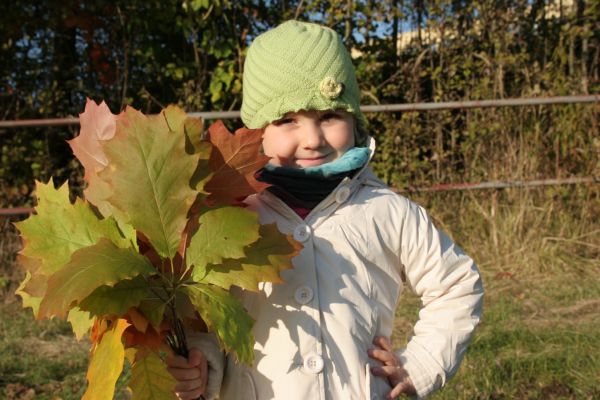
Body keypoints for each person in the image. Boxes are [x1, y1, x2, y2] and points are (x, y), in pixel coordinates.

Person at [166, 20, 484, 400]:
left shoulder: (386, 211)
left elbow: (456, 284)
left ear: (353, 119)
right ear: (257, 132)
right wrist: (202, 360)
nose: (313, 139)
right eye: (287, 121)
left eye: (329, 116)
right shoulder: (229, 217)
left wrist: (423, 363)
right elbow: (208, 316)